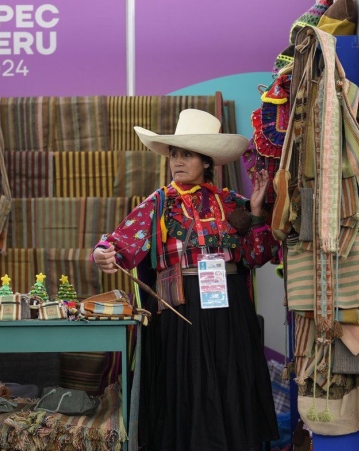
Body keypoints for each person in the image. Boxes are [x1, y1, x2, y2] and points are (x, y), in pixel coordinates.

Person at [92, 109, 279, 451]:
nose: (177, 161)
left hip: (229, 309)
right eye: (174, 154)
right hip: (181, 312)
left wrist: (254, 214)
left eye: (187, 154)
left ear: (207, 162)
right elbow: (118, 246)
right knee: (188, 385)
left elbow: (257, 256)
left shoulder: (230, 203)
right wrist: (102, 253)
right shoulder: (158, 203)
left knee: (229, 381)